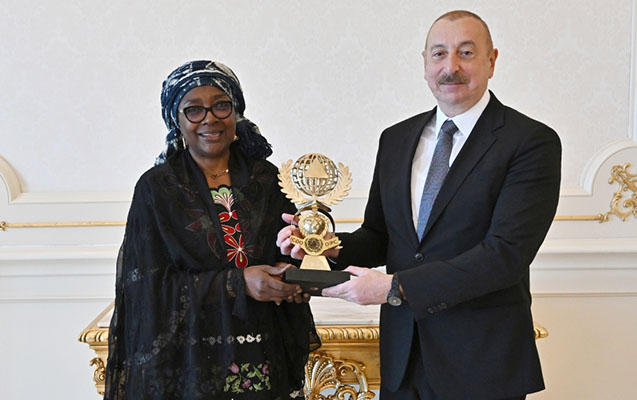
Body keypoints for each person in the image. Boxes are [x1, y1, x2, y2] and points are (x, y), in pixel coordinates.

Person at [277, 10, 561, 400]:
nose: (451, 67)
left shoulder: (530, 141)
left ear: (491, 61)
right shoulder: (396, 139)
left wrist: (395, 287)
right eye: (439, 54)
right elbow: (380, 237)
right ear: (425, 63)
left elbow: (505, 255)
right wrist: (324, 246)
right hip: (403, 359)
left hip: (482, 363)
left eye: (466, 53)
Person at [105, 60, 318, 400]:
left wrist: (291, 279)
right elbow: (147, 289)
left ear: (236, 112)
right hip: (188, 365)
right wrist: (238, 283)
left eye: (221, 105)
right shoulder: (157, 188)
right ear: (176, 119)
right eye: (194, 110)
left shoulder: (267, 179)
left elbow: (290, 250)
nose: (209, 119)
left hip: (262, 358)